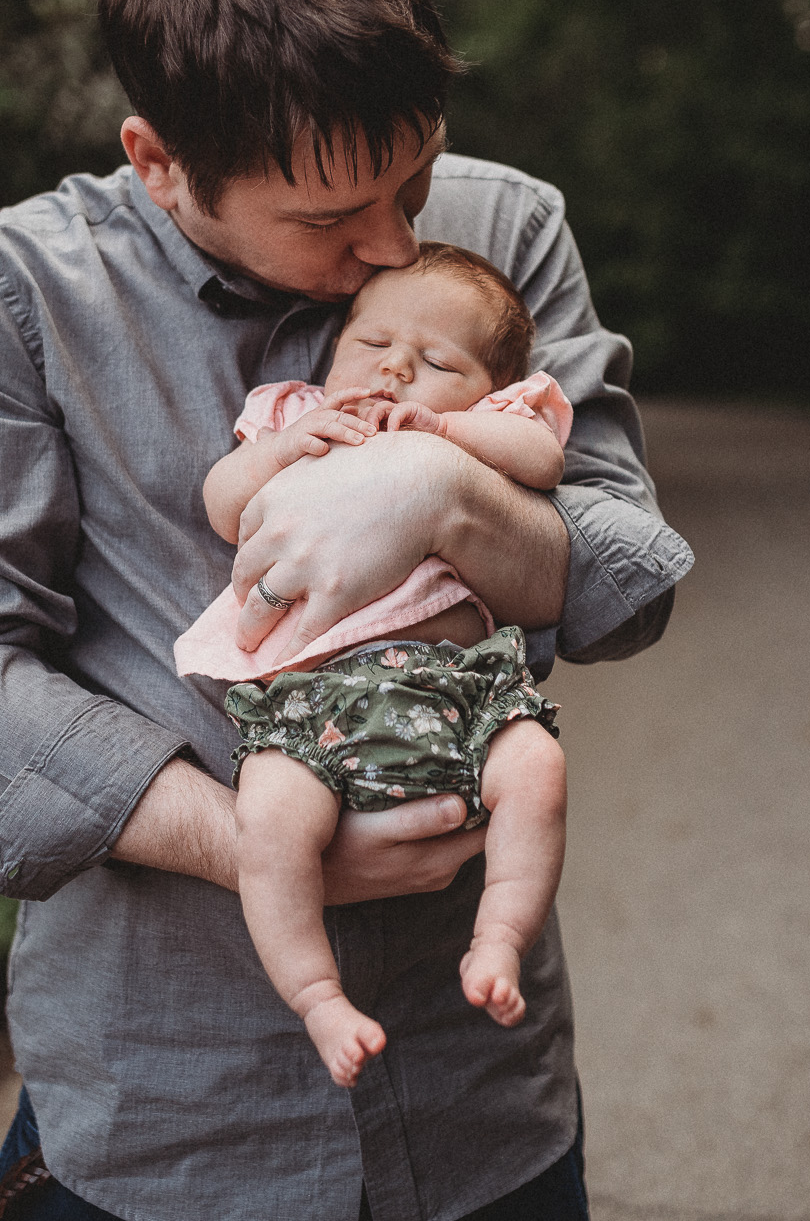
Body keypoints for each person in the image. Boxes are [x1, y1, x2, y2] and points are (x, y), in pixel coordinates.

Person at [0, 0, 693, 1219]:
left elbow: (625, 586)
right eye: (329, 217)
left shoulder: (506, 230)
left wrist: (439, 496)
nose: (393, 243)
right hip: (166, 1114)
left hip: (478, 1104)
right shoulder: (6, 295)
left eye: (412, 177)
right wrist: (252, 839)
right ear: (159, 158)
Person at [178, 244, 572, 1089]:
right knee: (272, 820)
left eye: (435, 362)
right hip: (312, 697)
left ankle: (499, 940)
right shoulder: (295, 410)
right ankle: (318, 994)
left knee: (537, 769)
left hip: (459, 686)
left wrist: (444, 433)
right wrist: (282, 450)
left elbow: (542, 462)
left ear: (488, 385)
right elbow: (222, 502)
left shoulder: (490, 423)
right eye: (371, 343)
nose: (395, 367)